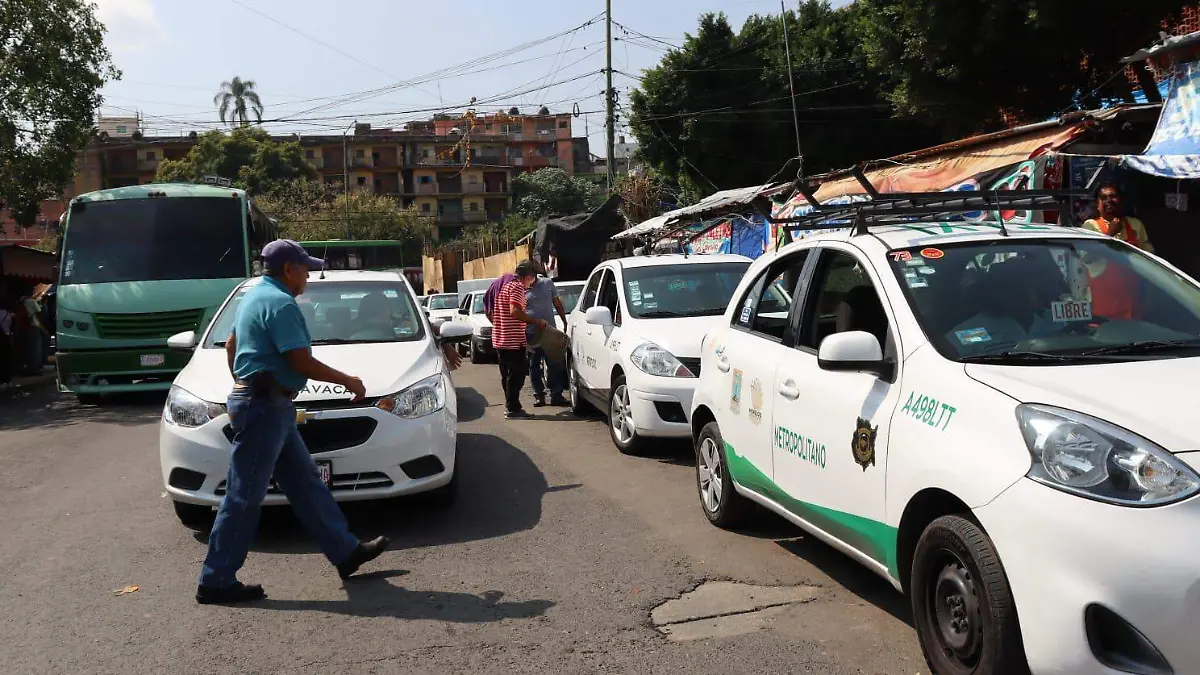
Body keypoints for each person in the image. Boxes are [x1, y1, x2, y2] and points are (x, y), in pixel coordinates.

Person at [197, 240, 388, 605]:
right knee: (243, 497)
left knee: (305, 483)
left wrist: (244, 381)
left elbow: (231, 346)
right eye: (304, 268)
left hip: (267, 403)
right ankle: (216, 579)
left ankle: (346, 552)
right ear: (288, 269)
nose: (308, 276)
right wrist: (348, 380)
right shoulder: (281, 303)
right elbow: (300, 360)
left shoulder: (253, 296)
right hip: (264, 407)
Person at [491, 261, 547, 419]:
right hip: (511, 341)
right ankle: (513, 408)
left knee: (508, 375)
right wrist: (536, 321)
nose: (533, 282)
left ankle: (511, 406)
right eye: (533, 278)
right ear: (528, 276)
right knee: (517, 375)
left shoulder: (506, 286)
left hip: (502, 339)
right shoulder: (516, 287)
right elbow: (515, 311)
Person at [525, 264, 569, 407]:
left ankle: (556, 394)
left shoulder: (548, 283)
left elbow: (557, 302)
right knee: (534, 365)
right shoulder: (521, 287)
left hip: (548, 332)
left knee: (554, 363)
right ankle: (539, 395)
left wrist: (564, 320)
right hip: (532, 333)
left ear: (534, 273)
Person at [1082, 183, 1154, 253]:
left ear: (1122, 201)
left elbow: (1149, 253)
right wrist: (1110, 234)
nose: (1109, 200)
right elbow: (1087, 258)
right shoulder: (1090, 226)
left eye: (1113, 196)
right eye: (1103, 198)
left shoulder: (1135, 224)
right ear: (1097, 204)